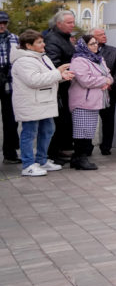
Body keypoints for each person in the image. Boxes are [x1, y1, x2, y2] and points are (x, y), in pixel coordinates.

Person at [11, 29, 74, 176]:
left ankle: (41, 159)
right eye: (39, 42)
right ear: (29, 45)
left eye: (42, 41)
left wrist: (62, 75)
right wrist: (58, 73)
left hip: (44, 101)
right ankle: (28, 165)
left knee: (47, 130)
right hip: (31, 103)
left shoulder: (41, 57)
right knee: (29, 133)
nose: (43, 44)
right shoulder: (23, 61)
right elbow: (34, 80)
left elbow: (48, 76)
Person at [68, 35, 113, 170]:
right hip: (83, 100)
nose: (95, 46)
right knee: (81, 131)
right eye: (92, 44)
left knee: (89, 131)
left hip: (95, 100)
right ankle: (80, 157)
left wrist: (108, 80)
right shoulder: (79, 60)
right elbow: (85, 80)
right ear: (84, 45)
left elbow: (108, 74)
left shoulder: (98, 59)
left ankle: (78, 158)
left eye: (96, 43)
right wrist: (104, 80)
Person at [43, 9, 76, 164]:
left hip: (66, 85)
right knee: (58, 121)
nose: (72, 25)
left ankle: (60, 149)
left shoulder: (65, 38)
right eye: (69, 22)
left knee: (63, 121)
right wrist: (65, 73)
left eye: (73, 22)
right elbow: (53, 63)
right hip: (58, 86)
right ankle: (52, 153)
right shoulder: (52, 39)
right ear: (59, 23)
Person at [93, 27, 116, 156]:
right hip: (92, 93)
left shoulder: (113, 51)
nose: (104, 36)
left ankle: (106, 147)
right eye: (100, 35)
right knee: (90, 121)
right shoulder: (84, 52)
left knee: (108, 121)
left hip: (109, 92)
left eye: (104, 34)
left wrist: (112, 83)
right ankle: (87, 147)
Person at [0, 10, 22, 164]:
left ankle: (10, 153)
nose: (2, 26)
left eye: (4, 23)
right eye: (0, 23)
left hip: (10, 82)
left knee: (11, 119)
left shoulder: (14, 38)